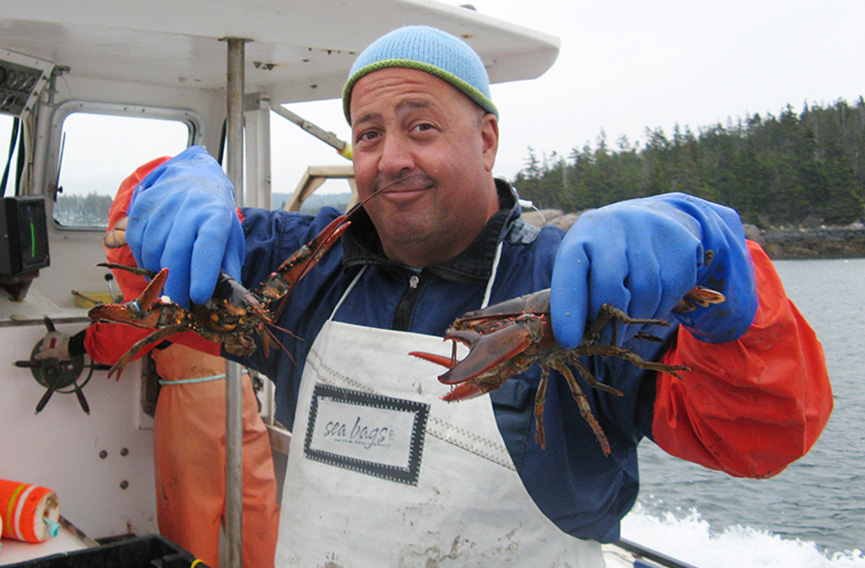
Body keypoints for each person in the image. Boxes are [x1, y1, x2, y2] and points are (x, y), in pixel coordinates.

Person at [122, 25, 832, 566]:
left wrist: (724, 289)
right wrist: (163, 189)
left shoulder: (585, 292)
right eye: (367, 135)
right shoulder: (307, 267)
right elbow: (144, 279)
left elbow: (756, 438)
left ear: (486, 139)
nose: (391, 157)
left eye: (420, 126)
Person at [37, 158, 280, 568]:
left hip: (189, 407)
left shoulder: (157, 262)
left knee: (190, 521)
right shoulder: (218, 243)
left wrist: (77, 344)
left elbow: (134, 324)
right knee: (258, 511)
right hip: (240, 392)